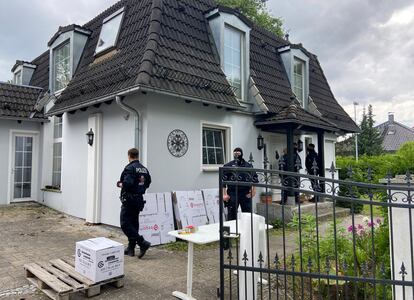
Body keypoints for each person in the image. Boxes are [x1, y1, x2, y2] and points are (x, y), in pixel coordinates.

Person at [117, 148, 152, 258]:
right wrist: (139, 189)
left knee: (125, 224)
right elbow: (148, 182)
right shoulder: (144, 169)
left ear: (129, 156)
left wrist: (120, 184)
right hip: (138, 199)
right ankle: (131, 249)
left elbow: (127, 183)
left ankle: (142, 243)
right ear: (137, 155)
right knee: (133, 223)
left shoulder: (130, 168)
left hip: (129, 199)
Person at [222, 147, 257, 221]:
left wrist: (254, 191)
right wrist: (224, 194)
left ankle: (248, 229)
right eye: (235, 153)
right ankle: (232, 230)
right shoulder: (228, 165)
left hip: (245, 192)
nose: (237, 155)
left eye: (238, 153)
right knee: (232, 213)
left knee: (247, 213)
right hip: (232, 192)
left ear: (242, 154)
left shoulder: (248, 166)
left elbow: (254, 178)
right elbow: (223, 181)